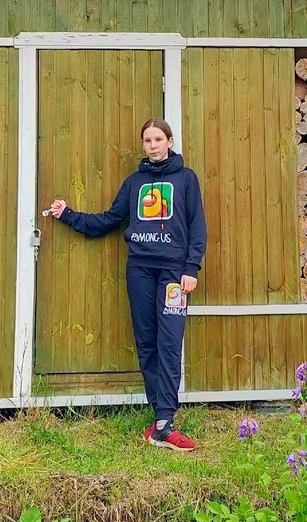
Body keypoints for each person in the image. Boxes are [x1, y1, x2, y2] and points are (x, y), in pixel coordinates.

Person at [48, 118, 207, 452]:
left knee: (169, 343)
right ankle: (161, 421)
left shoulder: (186, 179)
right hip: (140, 271)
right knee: (147, 342)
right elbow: (108, 219)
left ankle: (164, 422)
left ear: (169, 141)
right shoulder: (135, 183)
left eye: (157, 139)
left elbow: (197, 228)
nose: (152, 145)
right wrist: (69, 214)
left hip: (174, 275)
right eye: (147, 140)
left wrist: (191, 267)